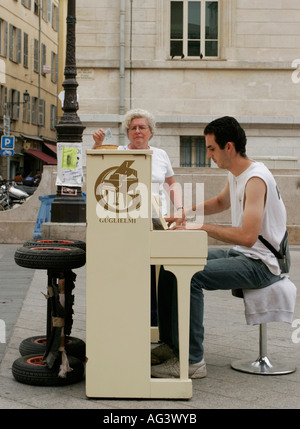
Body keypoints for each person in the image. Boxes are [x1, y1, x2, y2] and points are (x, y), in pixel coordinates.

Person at [151, 116, 286, 379]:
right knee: (169, 267)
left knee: (190, 275)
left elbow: (247, 236)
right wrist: (185, 213)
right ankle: (170, 345)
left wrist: (199, 227)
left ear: (230, 147)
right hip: (246, 255)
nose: (209, 154)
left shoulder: (256, 178)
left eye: (212, 148)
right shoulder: (237, 173)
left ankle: (192, 362)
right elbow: (221, 202)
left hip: (263, 264)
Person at [93, 108, 184, 325]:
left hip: (156, 219)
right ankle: (129, 318)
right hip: (127, 222)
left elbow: (170, 184)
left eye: (142, 127)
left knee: (156, 270)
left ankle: (155, 320)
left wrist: (180, 208)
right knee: (131, 269)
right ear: (127, 132)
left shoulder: (160, 155)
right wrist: (97, 145)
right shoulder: (119, 151)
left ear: (150, 131)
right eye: (132, 128)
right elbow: (99, 166)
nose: (137, 131)